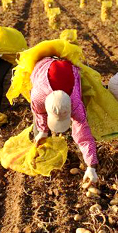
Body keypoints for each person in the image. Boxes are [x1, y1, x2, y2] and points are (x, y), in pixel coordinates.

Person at [30, 56, 98, 185]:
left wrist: (91, 166)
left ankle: (85, 160)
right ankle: (43, 159)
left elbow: (85, 137)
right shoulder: (38, 97)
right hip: (43, 66)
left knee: (81, 131)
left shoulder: (76, 104)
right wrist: (42, 131)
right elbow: (38, 113)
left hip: (68, 69)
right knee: (38, 129)